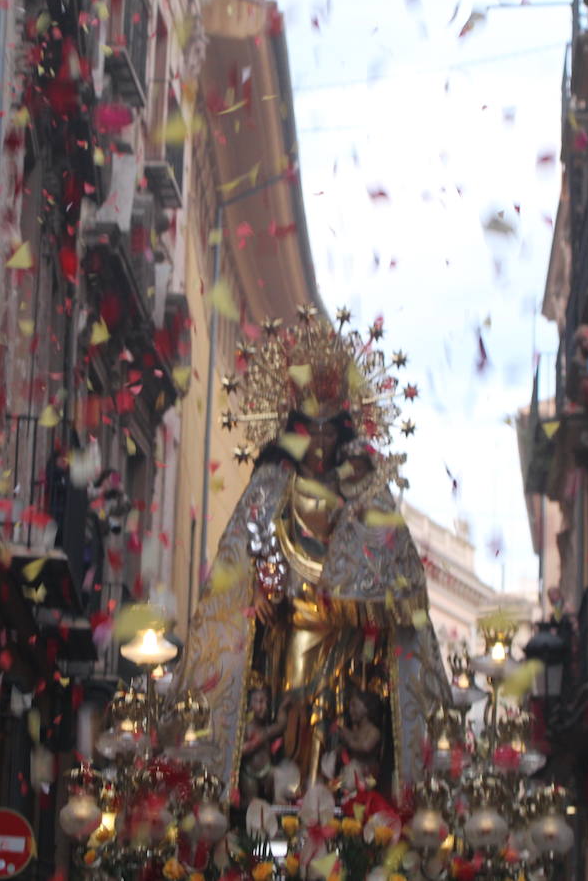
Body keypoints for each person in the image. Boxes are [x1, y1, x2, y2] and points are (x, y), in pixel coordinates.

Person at [168, 307, 451, 809]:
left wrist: (363, 597)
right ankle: (286, 791)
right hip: (291, 628)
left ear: (342, 432)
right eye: (309, 432)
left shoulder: (365, 495)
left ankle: (334, 794)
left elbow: (399, 582)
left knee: (343, 719)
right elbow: (242, 564)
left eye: (328, 433)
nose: (319, 444)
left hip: (344, 631)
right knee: (292, 707)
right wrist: (267, 591)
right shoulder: (270, 489)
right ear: (293, 431)